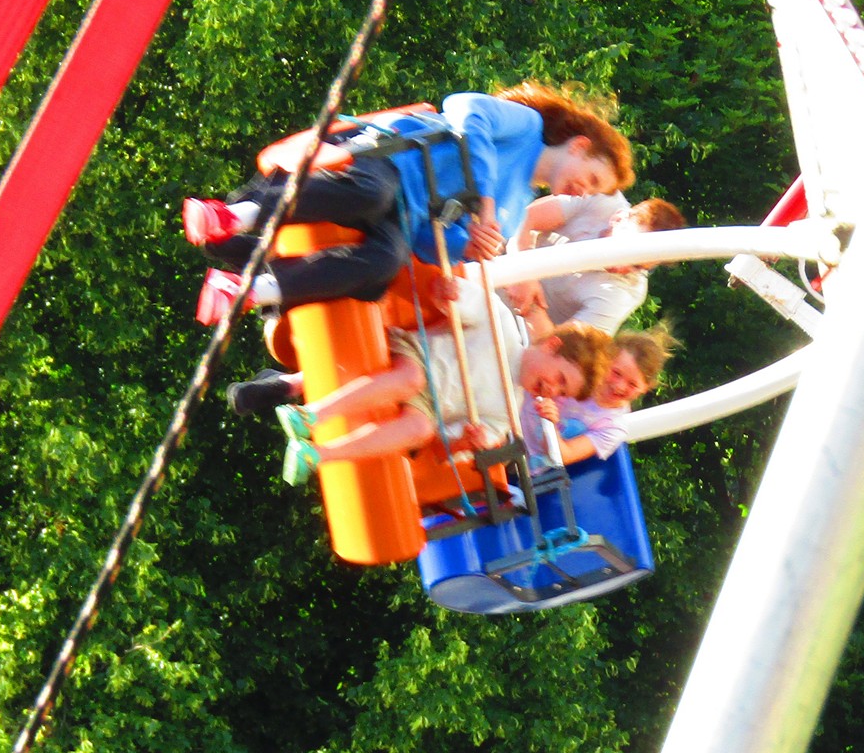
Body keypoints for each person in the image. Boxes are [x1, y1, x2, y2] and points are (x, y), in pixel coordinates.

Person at [184, 83, 633, 324]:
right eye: (591, 178)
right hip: (394, 164)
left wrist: (465, 248)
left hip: (407, 216)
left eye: (593, 192)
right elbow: (465, 109)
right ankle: (232, 216)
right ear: (577, 146)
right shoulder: (525, 128)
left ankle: (245, 290)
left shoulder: (517, 207)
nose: (582, 191)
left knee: (386, 262)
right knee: (370, 193)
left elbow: (427, 242)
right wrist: (486, 201)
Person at [274, 285, 612, 485]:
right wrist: (450, 295)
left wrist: (467, 440)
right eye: (560, 379)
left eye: (562, 393)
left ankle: (317, 455)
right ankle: (311, 415)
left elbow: (444, 447)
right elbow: (457, 299)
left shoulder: (509, 412)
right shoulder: (503, 326)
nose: (552, 391)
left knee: (421, 429)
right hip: (416, 354)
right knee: (412, 379)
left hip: (428, 405)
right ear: (552, 347)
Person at [508, 195, 686, 335]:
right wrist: (523, 273)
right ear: (619, 218)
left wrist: (528, 300)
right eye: (629, 252)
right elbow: (525, 217)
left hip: (514, 336)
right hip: (495, 262)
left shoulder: (627, 292)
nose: (625, 268)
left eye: (638, 267)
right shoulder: (602, 197)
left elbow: (557, 348)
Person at [528, 323, 676, 465]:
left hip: (521, 458)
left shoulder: (612, 427)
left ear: (645, 388)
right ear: (606, 359)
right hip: (512, 410)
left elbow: (562, 456)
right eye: (616, 373)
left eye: (632, 384)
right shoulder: (580, 370)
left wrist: (549, 423)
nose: (619, 386)